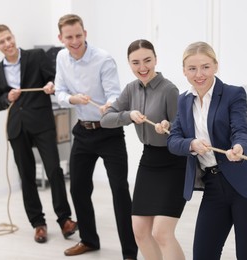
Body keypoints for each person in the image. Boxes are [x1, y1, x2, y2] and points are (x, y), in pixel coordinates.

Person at [167, 41, 247, 260]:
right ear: (184, 71)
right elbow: (173, 140)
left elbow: (241, 130)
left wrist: (239, 147)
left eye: (205, 67)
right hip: (213, 186)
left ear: (216, 66)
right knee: (203, 254)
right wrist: (191, 144)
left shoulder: (232, 94)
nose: (199, 74)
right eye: (192, 68)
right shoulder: (183, 101)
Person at [54, 14, 137, 260]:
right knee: (78, 189)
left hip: (109, 132)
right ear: (61, 38)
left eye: (78, 35)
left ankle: (129, 252)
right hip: (82, 131)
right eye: (69, 37)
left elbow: (114, 94)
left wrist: (109, 106)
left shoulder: (103, 59)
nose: (75, 41)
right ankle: (89, 240)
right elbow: (59, 91)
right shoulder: (61, 57)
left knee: (120, 191)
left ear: (85, 33)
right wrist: (72, 99)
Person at [0, 24, 77, 244]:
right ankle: (38, 224)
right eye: (2, 42)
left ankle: (65, 219)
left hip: (42, 123)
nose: (7, 44)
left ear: (14, 36)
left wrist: (50, 85)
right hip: (17, 128)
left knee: (54, 170)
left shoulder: (36, 56)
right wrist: (7, 98)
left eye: (9, 38)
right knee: (27, 177)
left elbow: (54, 80)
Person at [101, 39, 187, 260]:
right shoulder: (131, 89)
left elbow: (182, 131)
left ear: (155, 59)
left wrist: (167, 126)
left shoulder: (169, 89)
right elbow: (106, 119)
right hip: (148, 161)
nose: (142, 67)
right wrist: (128, 116)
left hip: (173, 163)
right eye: (135, 62)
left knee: (161, 232)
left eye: (147, 60)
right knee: (139, 230)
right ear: (129, 64)